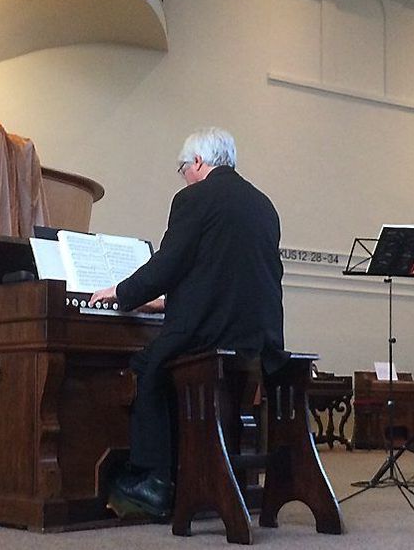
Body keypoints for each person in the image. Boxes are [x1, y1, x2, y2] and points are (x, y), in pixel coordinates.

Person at [89, 127, 286, 519]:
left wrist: (122, 291)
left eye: (183, 169)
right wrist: (165, 303)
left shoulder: (194, 198)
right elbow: (219, 275)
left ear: (198, 162)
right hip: (256, 337)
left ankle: (156, 481)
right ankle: (195, 471)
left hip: (210, 333)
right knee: (167, 361)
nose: (183, 177)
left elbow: (169, 263)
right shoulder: (263, 204)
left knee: (150, 365)